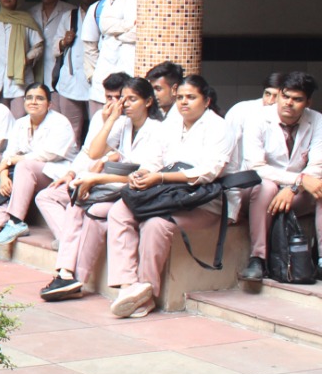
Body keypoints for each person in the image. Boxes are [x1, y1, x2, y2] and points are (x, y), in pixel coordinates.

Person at [104, 75, 239, 318]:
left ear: (206, 100)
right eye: (180, 97)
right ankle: (128, 287)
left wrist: (160, 178)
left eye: (191, 97)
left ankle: (147, 293)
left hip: (204, 201)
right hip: (168, 195)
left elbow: (209, 172)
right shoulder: (172, 123)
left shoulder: (219, 127)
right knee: (119, 211)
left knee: (156, 225)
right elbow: (155, 158)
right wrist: (143, 173)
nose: (184, 102)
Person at [33, 76, 164, 300]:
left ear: (148, 101)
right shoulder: (124, 124)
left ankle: (75, 278)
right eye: (123, 99)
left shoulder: (156, 130)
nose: (125, 104)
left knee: (91, 209)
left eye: (132, 99)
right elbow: (94, 152)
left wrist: (96, 179)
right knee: (76, 204)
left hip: (139, 192)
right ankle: (65, 273)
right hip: (117, 188)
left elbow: (142, 175)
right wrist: (111, 120)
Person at [0, 83, 78, 260]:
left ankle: (16, 221)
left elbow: (46, 155)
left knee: (24, 166)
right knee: (4, 193)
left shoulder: (60, 123)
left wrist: (12, 161)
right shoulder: (21, 123)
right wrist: (3, 176)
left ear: (49, 104)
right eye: (29, 98)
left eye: (39, 98)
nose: (33, 102)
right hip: (26, 176)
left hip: (56, 175)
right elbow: (8, 154)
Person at [239, 72, 322, 282]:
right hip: (258, 191)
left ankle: (321, 260)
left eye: (297, 99)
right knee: (267, 187)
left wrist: (293, 189)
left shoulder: (317, 120)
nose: (289, 103)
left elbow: (317, 166)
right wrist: (297, 181)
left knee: (320, 189)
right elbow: (256, 167)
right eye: (285, 96)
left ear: (308, 102)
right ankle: (257, 259)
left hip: (293, 195)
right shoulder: (257, 118)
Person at [82, 0, 138, 117]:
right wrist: (93, 76)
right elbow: (90, 46)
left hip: (129, 81)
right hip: (101, 84)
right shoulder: (97, 8)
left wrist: (117, 34)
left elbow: (139, 33)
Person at [32, 0, 85, 138]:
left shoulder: (70, 11)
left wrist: (63, 42)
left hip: (60, 68)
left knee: (64, 115)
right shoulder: (32, 12)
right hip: (37, 66)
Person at [223, 72, 283, 154]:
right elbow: (227, 144)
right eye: (267, 94)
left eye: (276, 96)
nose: (270, 101)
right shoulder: (240, 110)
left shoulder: (289, 117)